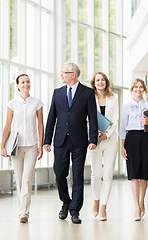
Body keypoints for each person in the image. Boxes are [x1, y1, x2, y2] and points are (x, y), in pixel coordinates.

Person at [44, 62, 98, 224]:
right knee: (59, 173)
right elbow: (51, 117)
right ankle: (65, 201)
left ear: (73, 75)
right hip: (60, 139)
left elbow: (92, 117)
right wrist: (47, 140)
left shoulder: (87, 93)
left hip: (80, 140)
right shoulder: (58, 92)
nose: (61, 75)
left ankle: (75, 210)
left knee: (77, 176)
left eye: (64, 72)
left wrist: (93, 139)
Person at [1, 74, 44, 223]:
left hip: (32, 145)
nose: (26, 84)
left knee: (27, 179)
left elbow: (40, 125)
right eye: (22, 82)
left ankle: (24, 212)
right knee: (19, 179)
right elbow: (7, 125)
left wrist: (40, 144)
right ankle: (21, 210)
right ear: (18, 86)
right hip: (15, 146)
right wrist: (2, 146)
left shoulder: (37, 103)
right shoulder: (12, 104)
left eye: (28, 82)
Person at [119, 78, 148, 221]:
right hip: (131, 139)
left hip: (146, 138)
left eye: (141, 87)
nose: (138, 89)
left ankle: (142, 201)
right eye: (136, 87)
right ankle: (136, 206)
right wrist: (122, 146)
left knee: (144, 174)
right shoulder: (127, 107)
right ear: (132, 89)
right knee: (133, 174)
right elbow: (122, 128)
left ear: (144, 90)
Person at [88, 72, 119, 221]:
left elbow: (115, 119)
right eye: (97, 80)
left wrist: (108, 135)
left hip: (110, 141)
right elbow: (86, 118)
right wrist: (94, 134)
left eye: (103, 80)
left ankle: (103, 207)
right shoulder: (89, 98)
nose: (100, 82)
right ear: (94, 83)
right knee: (96, 174)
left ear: (106, 82)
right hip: (94, 140)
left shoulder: (114, 98)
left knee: (107, 175)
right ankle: (96, 200)